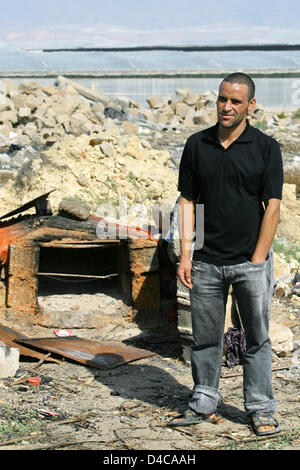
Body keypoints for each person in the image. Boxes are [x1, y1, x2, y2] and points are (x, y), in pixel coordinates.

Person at [168, 72, 283, 436]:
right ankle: (204, 400)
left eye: (235, 101)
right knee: (204, 337)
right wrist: (186, 254)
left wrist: (258, 260)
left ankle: (261, 407)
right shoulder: (197, 145)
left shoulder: (266, 148)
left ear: (251, 105)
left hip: (251, 262)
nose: (227, 107)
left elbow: (273, 207)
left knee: (256, 338)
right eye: (222, 99)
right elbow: (187, 201)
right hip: (205, 262)